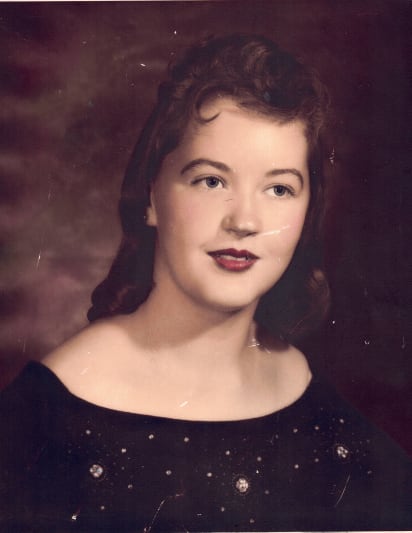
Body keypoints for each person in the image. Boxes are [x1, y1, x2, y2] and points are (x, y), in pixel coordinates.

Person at [0, 33, 410, 532]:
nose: (245, 221)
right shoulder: (44, 415)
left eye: (279, 189)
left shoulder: (316, 402)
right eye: (211, 181)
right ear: (151, 196)